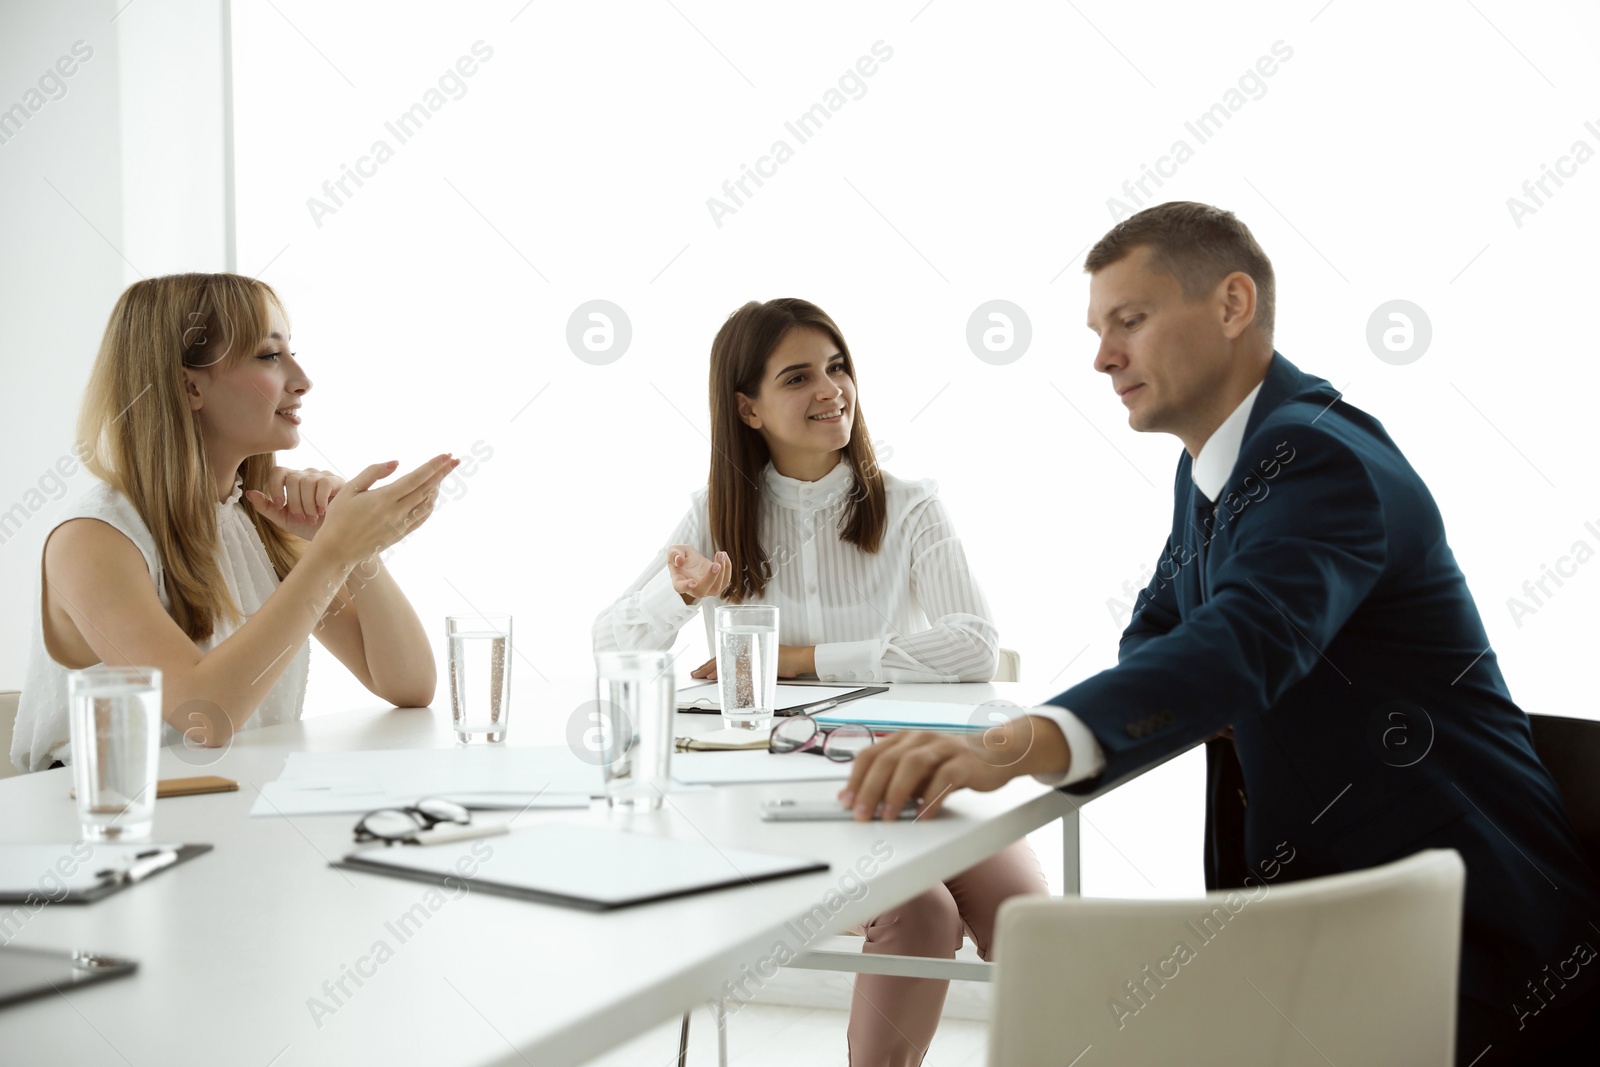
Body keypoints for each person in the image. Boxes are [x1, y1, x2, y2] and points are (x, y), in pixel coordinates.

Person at [840, 203, 1600, 1064]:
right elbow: (1161, 634)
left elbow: (1239, 642)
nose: (1102, 356)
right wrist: (1219, 685)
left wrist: (1019, 742)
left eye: (1130, 320)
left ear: (1233, 304)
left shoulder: (1319, 457)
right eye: (1097, 330)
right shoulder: (1214, 470)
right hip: (1338, 934)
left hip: (1468, 950)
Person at [593, 297, 1046, 1066]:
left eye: (837, 367)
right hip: (782, 802)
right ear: (749, 408)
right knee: (924, 915)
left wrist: (802, 659)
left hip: (917, 773)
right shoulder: (712, 515)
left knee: (1031, 920)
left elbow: (973, 646)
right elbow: (611, 644)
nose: (830, 388)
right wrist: (681, 593)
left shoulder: (910, 506)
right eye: (798, 376)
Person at [12, 272, 456, 772]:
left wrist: (355, 549)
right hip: (106, 832)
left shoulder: (257, 518)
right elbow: (204, 718)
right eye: (269, 355)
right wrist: (333, 551)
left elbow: (408, 685)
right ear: (189, 386)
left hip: (226, 813)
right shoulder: (93, 539)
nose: (302, 378)